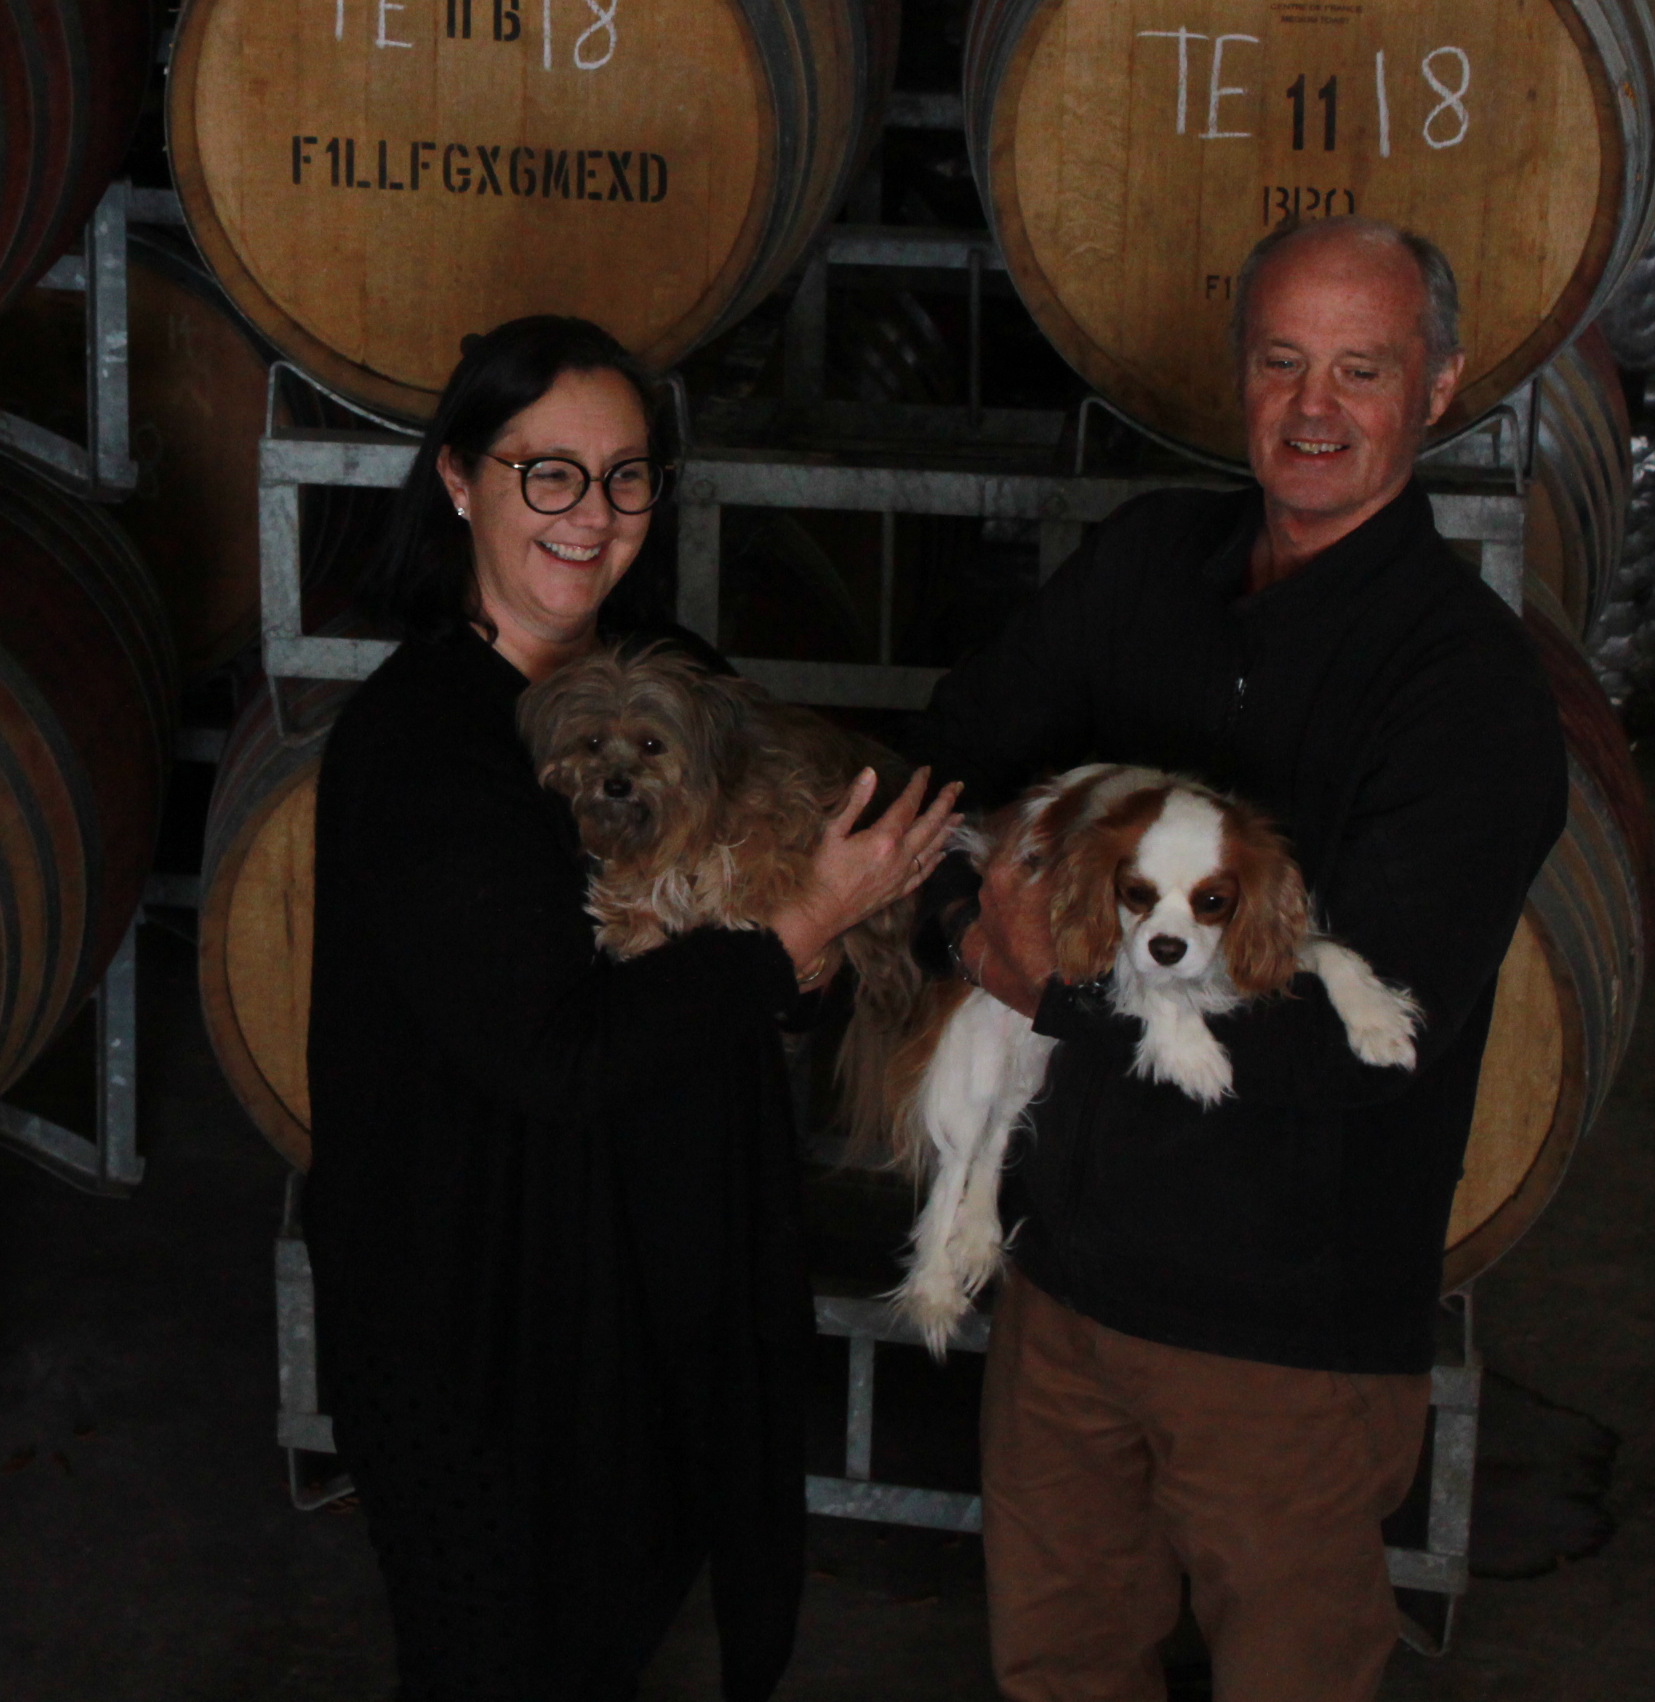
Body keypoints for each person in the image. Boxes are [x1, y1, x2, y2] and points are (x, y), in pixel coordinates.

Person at [908, 219, 1570, 1702]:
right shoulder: (1148, 565)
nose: (1314, 407)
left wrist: (1048, 984)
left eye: (1361, 367)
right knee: (1061, 1668)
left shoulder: (1464, 690)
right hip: (1067, 1283)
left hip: (1286, 1342)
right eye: (1282, 362)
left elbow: (1354, 1042)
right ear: (1238, 374)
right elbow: (959, 750)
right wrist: (958, 927)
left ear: (1439, 386)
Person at [305, 314, 964, 1701]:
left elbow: (744, 976)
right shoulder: (424, 745)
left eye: (623, 478)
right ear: (459, 480)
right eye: (547, 472)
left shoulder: (671, 669)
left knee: (612, 1634)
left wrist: (813, 951)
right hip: (479, 1325)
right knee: (499, 1661)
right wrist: (804, 927)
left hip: (648, 1285)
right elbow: (558, 1056)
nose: (589, 516)